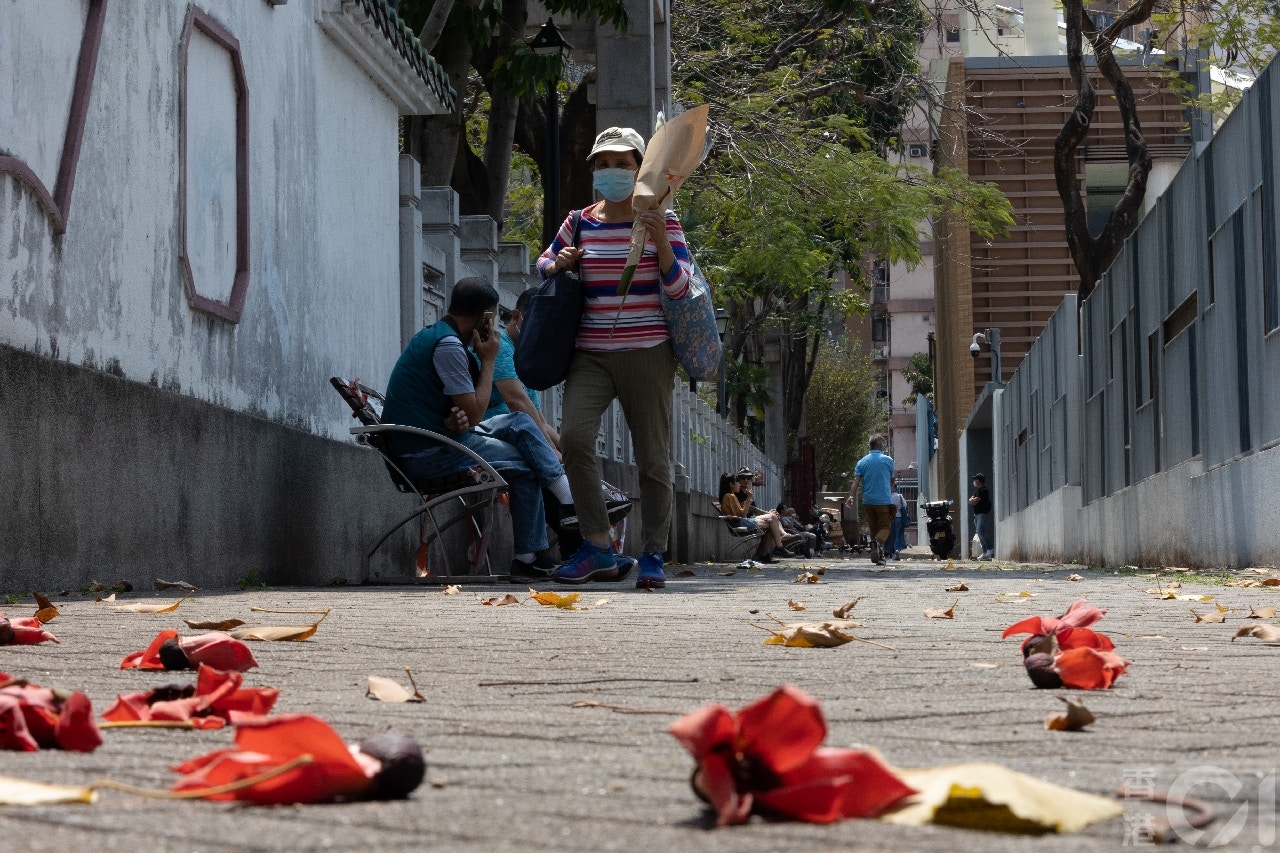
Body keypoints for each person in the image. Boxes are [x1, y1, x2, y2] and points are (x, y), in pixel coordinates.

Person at [538, 126, 692, 589]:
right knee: (575, 439)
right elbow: (542, 263)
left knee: (653, 458)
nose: (611, 172)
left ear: (640, 169)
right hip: (590, 355)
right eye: (603, 164)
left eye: (622, 164)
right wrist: (559, 261)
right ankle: (598, 547)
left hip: (648, 353)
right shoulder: (579, 220)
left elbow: (681, 288)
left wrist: (661, 241)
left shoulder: (663, 217)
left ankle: (652, 554)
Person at [380, 277, 575, 580]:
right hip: (429, 452)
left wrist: (455, 416)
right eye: (493, 318)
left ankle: (565, 500)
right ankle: (530, 553)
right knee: (526, 463)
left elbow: (460, 412)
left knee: (521, 423)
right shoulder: (449, 347)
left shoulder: (439, 336)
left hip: (440, 438)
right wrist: (488, 360)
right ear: (486, 316)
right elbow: (473, 413)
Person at [484, 286, 560, 453]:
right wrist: (552, 452)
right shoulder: (500, 346)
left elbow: (539, 421)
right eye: (536, 326)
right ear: (516, 317)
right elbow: (516, 401)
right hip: (492, 437)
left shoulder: (524, 358)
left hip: (516, 438)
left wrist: (569, 452)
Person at [717, 472, 790, 563]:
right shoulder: (730, 496)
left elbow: (740, 512)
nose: (739, 484)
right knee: (772, 518)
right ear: (731, 484)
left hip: (741, 521)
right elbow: (743, 515)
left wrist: (747, 501)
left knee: (772, 523)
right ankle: (779, 546)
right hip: (740, 523)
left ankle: (764, 555)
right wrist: (748, 500)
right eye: (737, 482)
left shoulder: (729, 496)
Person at [845, 435, 895, 566]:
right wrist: (888, 492)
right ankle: (877, 543)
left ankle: (879, 557)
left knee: (874, 529)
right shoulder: (888, 460)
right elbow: (892, 479)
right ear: (880, 445)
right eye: (883, 444)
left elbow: (856, 480)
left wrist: (851, 496)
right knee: (885, 527)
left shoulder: (862, 462)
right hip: (883, 500)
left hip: (868, 501)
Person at [969, 472, 994, 560]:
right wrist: (973, 500)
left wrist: (973, 500)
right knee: (979, 532)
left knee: (980, 530)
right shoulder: (977, 492)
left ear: (979, 480)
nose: (974, 481)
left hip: (982, 513)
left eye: (975, 479)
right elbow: (970, 500)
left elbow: (974, 501)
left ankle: (990, 548)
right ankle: (985, 552)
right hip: (976, 514)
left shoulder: (984, 490)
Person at [887, 490, 909, 560]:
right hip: (899, 518)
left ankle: (891, 552)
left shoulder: (888, 496)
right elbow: (905, 505)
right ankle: (897, 549)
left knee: (891, 535)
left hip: (890, 518)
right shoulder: (900, 496)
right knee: (899, 534)